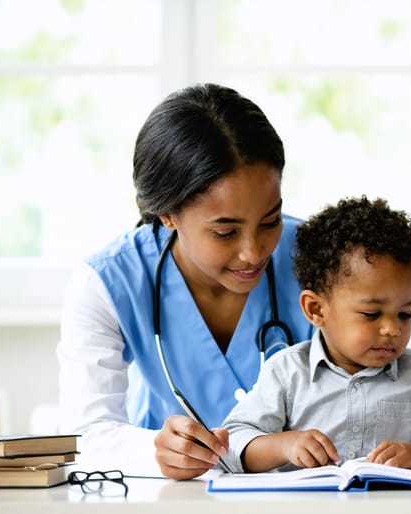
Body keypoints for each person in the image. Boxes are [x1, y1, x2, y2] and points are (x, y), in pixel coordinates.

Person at [57, 83, 314, 479]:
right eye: (226, 232)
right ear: (167, 215)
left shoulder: (320, 259)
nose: (254, 251)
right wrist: (154, 451)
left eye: (270, 221)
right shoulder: (108, 281)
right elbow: (84, 435)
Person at [223, 196, 411, 473]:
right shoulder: (286, 372)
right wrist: (284, 445)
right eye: (371, 314)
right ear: (316, 309)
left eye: (405, 314)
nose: (393, 329)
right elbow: (232, 444)